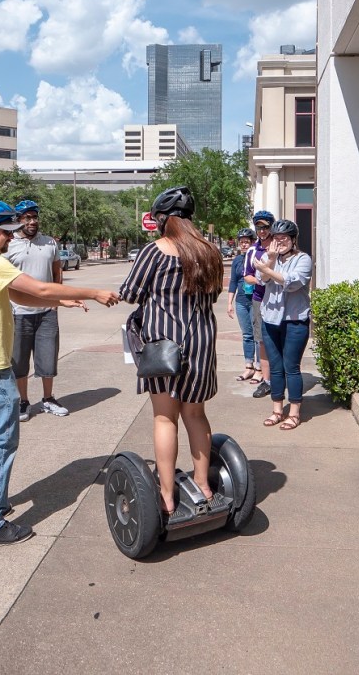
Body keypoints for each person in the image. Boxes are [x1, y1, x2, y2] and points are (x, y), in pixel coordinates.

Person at [0, 200, 119, 548]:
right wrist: (93, 292)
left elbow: (21, 295)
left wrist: (60, 302)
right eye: (6, 232)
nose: (11, 238)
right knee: (0, 441)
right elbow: (40, 288)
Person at [119, 186, 224, 518]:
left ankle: (166, 495)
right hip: (202, 343)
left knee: (165, 417)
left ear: (163, 219)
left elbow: (130, 293)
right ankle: (203, 485)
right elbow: (214, 295)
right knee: (195, 414)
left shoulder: (155, 251)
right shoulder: (210, 251)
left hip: (165, 346)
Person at [6, 199, 67, 421]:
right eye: (27, 218)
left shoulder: (49, 243)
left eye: (35, 217)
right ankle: (23, 401)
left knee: (48, 358)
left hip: (47, 312)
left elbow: (57, 273)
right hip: (18, 312)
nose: (32, 221)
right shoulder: (9, 244)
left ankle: (48, 398)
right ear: (18, 220)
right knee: (19, 361)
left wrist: (56, 301)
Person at [253, 219, 313, 431]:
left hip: (294, 321)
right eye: (276, 238)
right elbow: (261, 279)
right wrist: (270, 260)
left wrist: (267, 270)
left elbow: (292, 282)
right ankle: (277, 410)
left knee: (291, 367)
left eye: (284, 238)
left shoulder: (303, 259)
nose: (280, 242)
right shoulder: (269, 257)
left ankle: (294, 413)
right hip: (270, 319)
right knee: (275, 368)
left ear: (293, 239)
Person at [244, 210, 276, 398]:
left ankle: (279, 377)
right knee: (261, 340)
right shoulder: (252, 251)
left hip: (278, 300)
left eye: (265, 227)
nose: (262, 231)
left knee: (279, 340)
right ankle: (267, 381)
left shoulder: (279, 247)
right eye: (259, 227)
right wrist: (261, 280)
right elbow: (247, 276)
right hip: (259, 299)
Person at [226, 228, 258, 380]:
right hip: (241, 302)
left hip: (256, 301)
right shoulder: (237, 260)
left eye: (247, 242)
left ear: (252, 242)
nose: (244, 244)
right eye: (242, 242)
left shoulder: (257, 258)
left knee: (258, 336)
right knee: (247, 335)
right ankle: (249, 367)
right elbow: (233, 282)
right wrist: (229, 303)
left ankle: (260, 368)